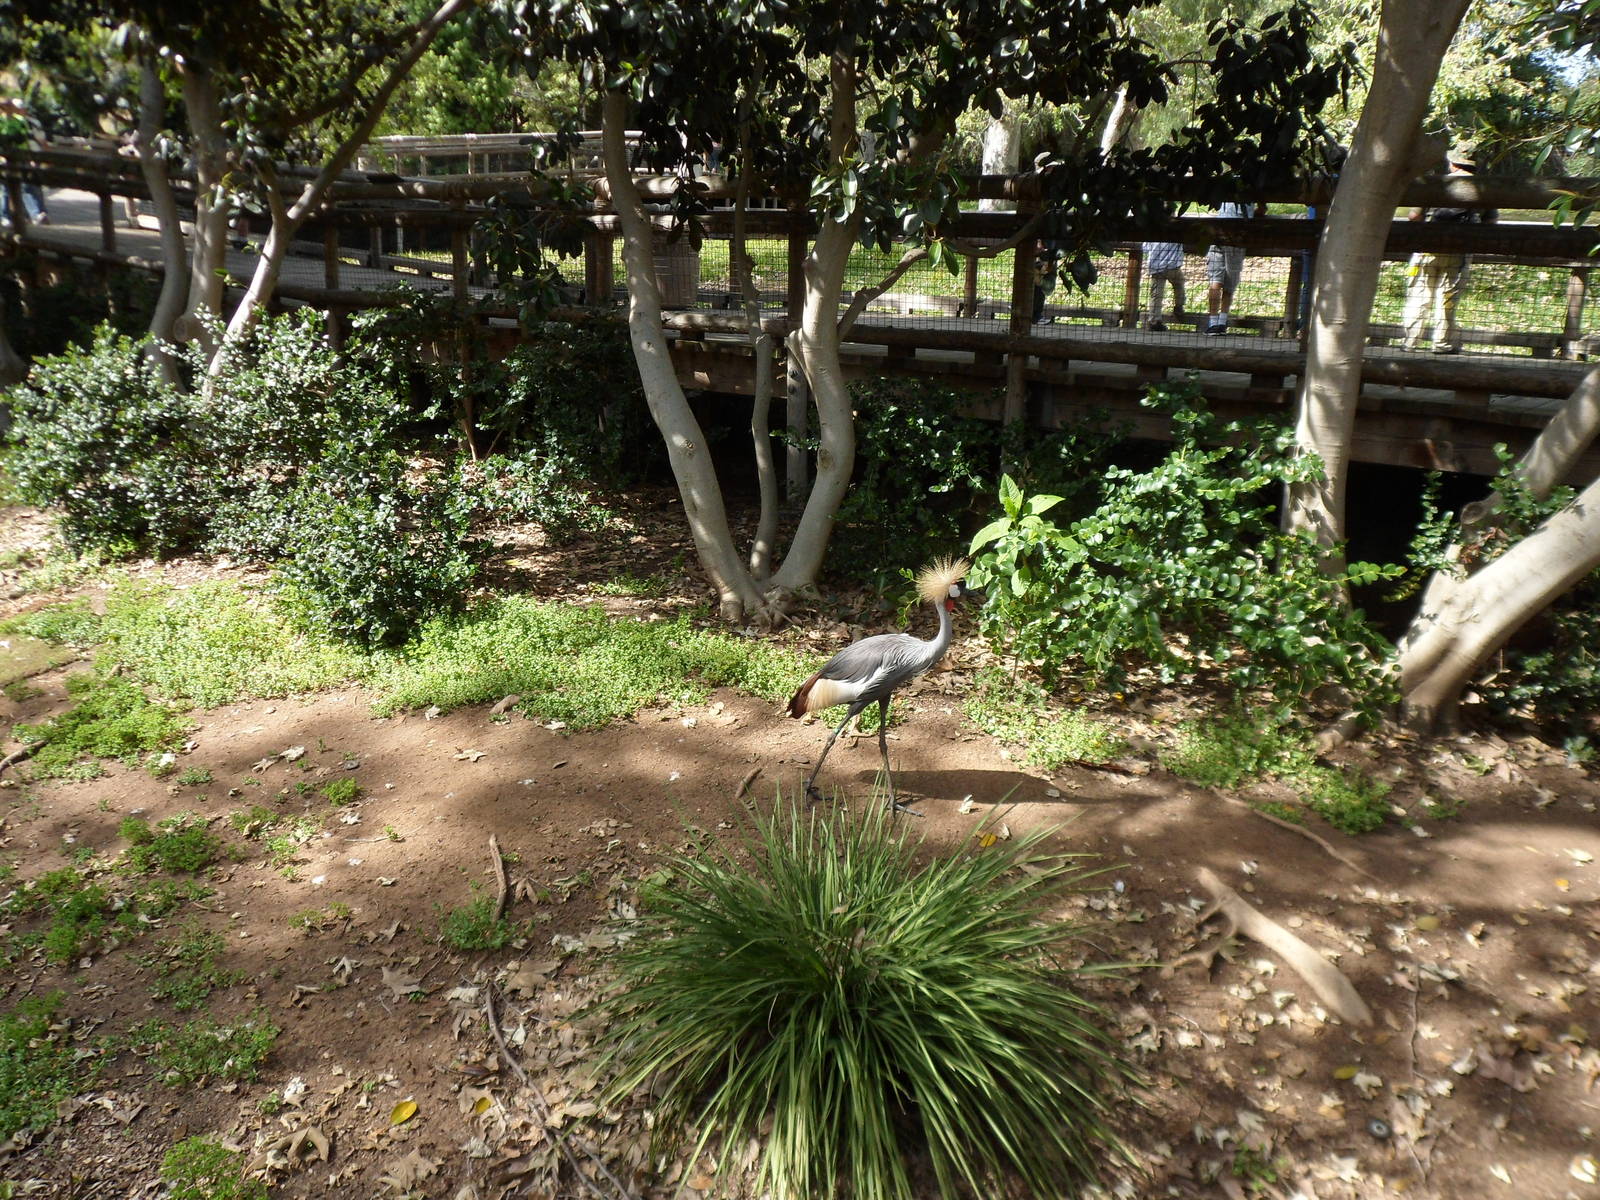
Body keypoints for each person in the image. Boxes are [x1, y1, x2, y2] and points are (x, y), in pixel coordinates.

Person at [1402, 146, 1496, 355]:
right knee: (1446, 299)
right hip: (1459, 251)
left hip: (1426, 250)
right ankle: (1442, 344)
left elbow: (1413, 216)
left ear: (1452, 163)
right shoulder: (1486, 188)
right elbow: (1490, 222)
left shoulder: (1436, 184)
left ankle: (1410, 342)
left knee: (1419, 296)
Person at [1205, 200, 1258, 334]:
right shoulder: (1251, 188)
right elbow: (1263, 209)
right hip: (1236, 236)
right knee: (1230, 282)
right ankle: (1222, 322)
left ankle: (1212, 323)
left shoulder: (1226, 187)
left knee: (1215, 281)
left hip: (1218, 233)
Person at [0, 97, 48, 225]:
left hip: (21, 157)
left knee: (27, 185)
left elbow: (25, 138)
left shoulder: (20, 121)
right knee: (5, 189)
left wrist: (30, 157)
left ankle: (35, 214)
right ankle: (5, 216)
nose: (6, 109)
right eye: (4, 106)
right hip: (3, 159)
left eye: (8, 106)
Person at [1142, 240, 1184, 331]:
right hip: (1173, 265)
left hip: (1155, 266)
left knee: (1156, 295)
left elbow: (1145, 247)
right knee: (1179, 285)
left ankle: (1154, 320)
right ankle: (1179, 305)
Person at [1031, 238, 1060, 324]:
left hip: (1044, 281)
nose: (1040, 246)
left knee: (1039, 291)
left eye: (1040, 243)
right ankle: (1033, 314)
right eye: (1038, 243)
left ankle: (1036, 315)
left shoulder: (1049, 255)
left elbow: (1047, 269)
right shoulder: (1030, 254)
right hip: (1034, 279)